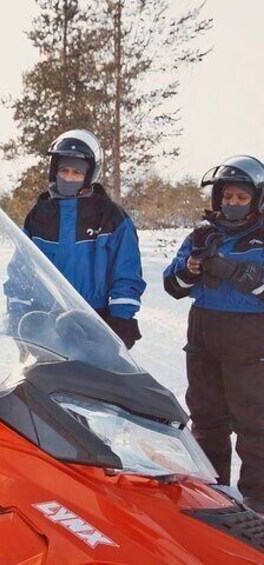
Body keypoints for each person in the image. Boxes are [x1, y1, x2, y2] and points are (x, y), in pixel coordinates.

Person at [164, 155, 264, 512]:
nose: (232, 203)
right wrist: (190, 268)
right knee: (206, 418)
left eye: (241, 197)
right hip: (203, 333)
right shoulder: (202, 234)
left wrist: (238, 272)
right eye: (227, 197)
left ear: (257, 198)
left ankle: (258, 500)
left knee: (254, 421)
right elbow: (173, 284)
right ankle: (212, 494)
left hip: (250, 338)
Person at [18, 129, 146, 349]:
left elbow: (126, 272)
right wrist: (17, 312)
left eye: (76, 173)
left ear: (89, 175)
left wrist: (121, 319)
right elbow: (21, 268)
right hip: (46, 321)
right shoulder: (38, 216)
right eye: (64, 170)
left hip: (95, 321)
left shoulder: (110, 216)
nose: (68, 178)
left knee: (90, 383)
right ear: (54, 171)